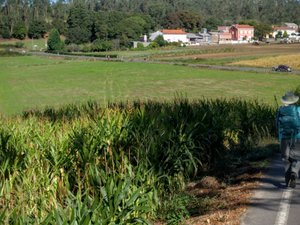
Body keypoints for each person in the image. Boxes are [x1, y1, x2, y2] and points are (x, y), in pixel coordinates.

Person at [276, 92, 300, 188]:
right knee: (297, 158)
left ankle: (287, 181)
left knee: (285, 159)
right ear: (294, 100)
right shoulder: (298, 109)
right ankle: (294, 172)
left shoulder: (280, 110)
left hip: (284, 137)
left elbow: (277, 124)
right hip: (297, 136)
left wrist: (279, 135)